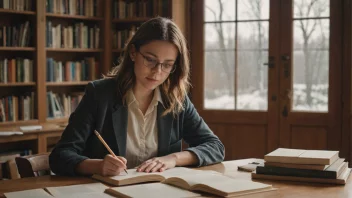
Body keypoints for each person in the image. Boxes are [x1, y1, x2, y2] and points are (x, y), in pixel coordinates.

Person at [49, 17, 225, 176]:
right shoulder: (100, 94)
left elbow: (215, 147)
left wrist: (173, 158)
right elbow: (60, 156)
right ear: (133, 53)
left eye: (167, 65)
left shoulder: (176, 99)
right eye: (150, 60)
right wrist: (97, 166)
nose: (157, 71)